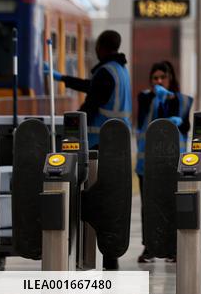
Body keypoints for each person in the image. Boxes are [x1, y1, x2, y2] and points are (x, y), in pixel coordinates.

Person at [45, 29, 132, 270]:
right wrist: (62, 78)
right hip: (117, 146)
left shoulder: (106, 72)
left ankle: (96, 257)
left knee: (92, 201)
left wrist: (72, 128)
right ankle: (109, 257)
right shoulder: (121, 71)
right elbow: (93, 87)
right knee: (109, 202)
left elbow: (91, 103)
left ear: (101, 47)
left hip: (97, 148)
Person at [135, 61, 192, 264]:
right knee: (148, 206)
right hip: (147, 163)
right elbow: (145, 121)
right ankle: (149, 246)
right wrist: (157, 102)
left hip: (172, 163)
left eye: (162, 77)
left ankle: (172, 248)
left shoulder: (182, 101)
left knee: (171, 204)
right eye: (155, 78)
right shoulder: (145, 97)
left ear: (170, 78)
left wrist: (176, 117)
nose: (159, 81)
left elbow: (185, 126)